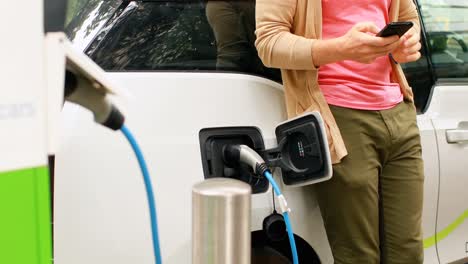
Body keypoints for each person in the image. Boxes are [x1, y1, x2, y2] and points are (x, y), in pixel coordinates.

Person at [255, 0, 424, 263]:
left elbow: (408, 17)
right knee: (358, 257)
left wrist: (407, 41)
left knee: (409, 254)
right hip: (337, 114)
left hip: (399, 109)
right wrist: (342, 49)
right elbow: (269, 41)